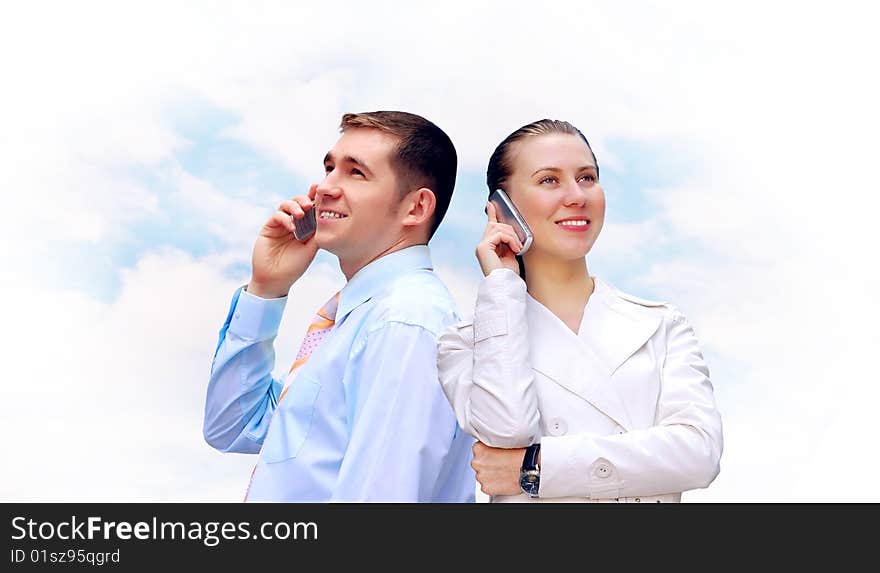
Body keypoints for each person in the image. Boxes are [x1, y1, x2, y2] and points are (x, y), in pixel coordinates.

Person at [437, 119, 723, 503]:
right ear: (501, 210)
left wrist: (535, 468)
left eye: (587, 178)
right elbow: (508, 428)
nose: (576, 195)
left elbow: (698, 453)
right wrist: (501, 286)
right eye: (549, 180)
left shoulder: (660, 325)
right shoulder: (467, 344)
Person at [204, 111, 475, 502]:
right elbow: (233, 427)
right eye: (330, 167)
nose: (324, 187)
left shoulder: (405, 321)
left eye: (356, 173)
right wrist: (266, 288)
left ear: (416, 208)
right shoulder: (359, 318)